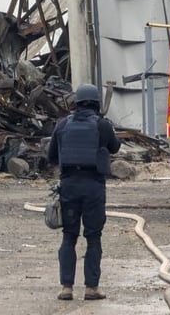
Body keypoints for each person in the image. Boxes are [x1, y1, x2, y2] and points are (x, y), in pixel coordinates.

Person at [47, 83, 121, 301]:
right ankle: (91, 288)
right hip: (93, 187)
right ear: (97, 103)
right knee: (93, 237)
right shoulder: (102, 125)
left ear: (76, 102)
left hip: (69, 186)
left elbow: (52, 156)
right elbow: (115, 147)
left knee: (69, 236)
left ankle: (66, 288)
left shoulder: (62, 125)